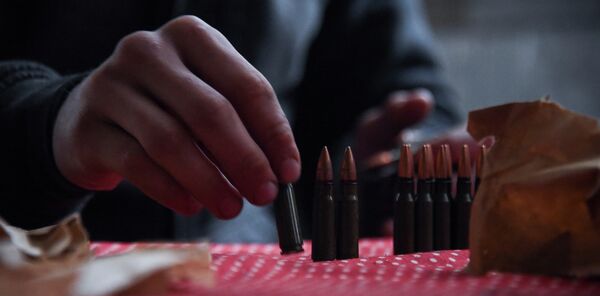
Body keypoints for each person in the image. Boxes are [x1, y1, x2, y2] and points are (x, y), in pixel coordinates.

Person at [0, 0, 466, 242]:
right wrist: (45, 123)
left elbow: (402, 86)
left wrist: (393, 164)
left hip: (267, 290)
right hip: (36, 287)